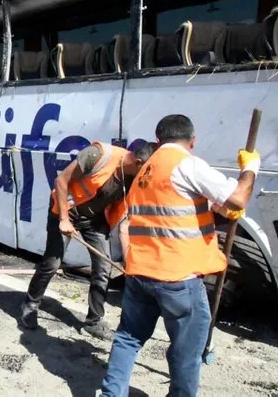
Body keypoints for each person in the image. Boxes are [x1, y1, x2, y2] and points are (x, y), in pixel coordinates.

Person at [100, 115, 259, 396]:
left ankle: (113, 393)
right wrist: (250, 169)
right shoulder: (188, 164)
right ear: (193, 141)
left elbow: (175, 208)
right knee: (187, 351)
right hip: (178, 278)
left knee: (128, 337)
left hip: (139, 274)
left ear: (158, 139)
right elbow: (238, 198)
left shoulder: (145, 171)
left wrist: (219, 210)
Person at [21, 141, 155, 340]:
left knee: (103, 268)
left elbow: (124, 226)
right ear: (137, 162)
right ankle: (30, 305)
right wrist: (64, 220)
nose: (146, 178)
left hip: (94, 219)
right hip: (67, 210)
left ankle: (94, 321)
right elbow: (61, 180)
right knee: (52, 263)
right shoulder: (99, 155)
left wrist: (129, 263)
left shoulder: (132, 180)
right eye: (146, 172)